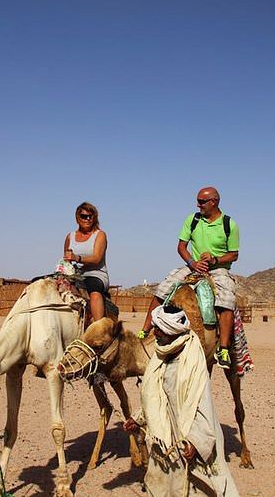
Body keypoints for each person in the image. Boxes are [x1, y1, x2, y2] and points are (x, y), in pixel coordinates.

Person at [124, 305, 239, 496]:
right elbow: (156, 395)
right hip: (167, 437)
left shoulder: (192, 360)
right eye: (155, 327)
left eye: (160, 329)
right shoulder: (161, 355)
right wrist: (138, 418)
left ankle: (225, 347)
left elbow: (202, 404)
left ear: (172, 331)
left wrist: (196, 440)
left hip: (191, 436)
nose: (156, 333)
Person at [140, 187, 239, 369]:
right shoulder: (192, 220)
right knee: (164, 287)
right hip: (193, 267)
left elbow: (233, 254)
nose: (198, 204)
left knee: (227, 297)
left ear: (214, 202)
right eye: (198, 201)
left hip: (218, 270)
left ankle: (223, 347)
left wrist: (215, 259)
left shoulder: (228, 224)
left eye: (202, 201)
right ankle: (145, 329)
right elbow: (181, 247)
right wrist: (192, 263)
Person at [63, 202, 109, 321]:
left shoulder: (99, 235)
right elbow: (66, 258)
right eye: (84, 216)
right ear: (78, 218)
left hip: (95, 274)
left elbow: (97, 258)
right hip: (75, 275)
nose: (87, 219)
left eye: (90, 216)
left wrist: (77, 258)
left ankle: (99, 328)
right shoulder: (70, 236)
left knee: (94, 290)